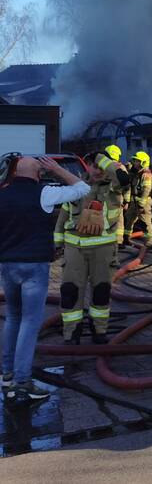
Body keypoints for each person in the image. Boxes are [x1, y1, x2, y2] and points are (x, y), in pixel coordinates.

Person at [0, 153, 90, 403]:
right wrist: (58, 170)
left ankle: (6, 376)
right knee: (30, 323)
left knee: (13, 319)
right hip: (34, 267)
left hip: (8, 266)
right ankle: (22, 382)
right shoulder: (45, 193)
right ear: (39, 173)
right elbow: (83, 188)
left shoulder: (3, 193)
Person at [54, 150, 130, 345]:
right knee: (71, 291)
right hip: (75, 249)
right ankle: (72, 333)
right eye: (93, 165)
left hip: (103, 250)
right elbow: (63, 216)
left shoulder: (114, 187)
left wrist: (102, 160)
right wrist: (56, 244)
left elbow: (123, 177)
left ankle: (99, 331)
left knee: (101, 291)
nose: (96, 170)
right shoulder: (76, 186)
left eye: (100, 165)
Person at [124, 151, 152, 262]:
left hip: (144, 202)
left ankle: (149, 243)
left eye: (137, 161)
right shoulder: (136, 172)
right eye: (135, 160)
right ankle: (126, 238)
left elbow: (146, 190)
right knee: (129, 218)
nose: (135, 162)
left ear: (143, 162)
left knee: (146, 222)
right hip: (134, 201)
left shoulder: (146, 175)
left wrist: (141, 203)